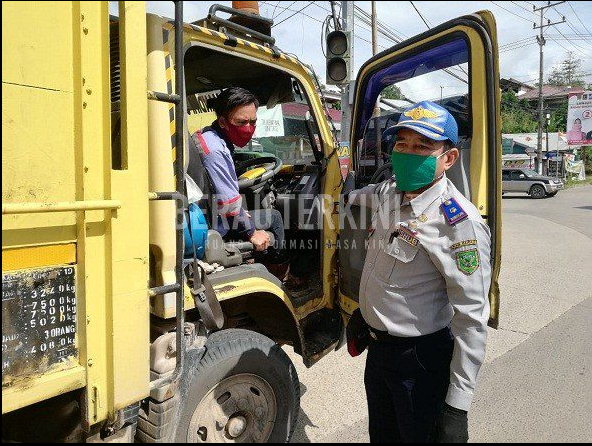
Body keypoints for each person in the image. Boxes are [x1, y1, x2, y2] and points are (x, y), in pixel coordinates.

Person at [349, 101, 492, 443]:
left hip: (420, 363)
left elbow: (472, 317)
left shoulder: (458, 223)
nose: (408, 153)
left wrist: (457, 407)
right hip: (378, 353)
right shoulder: (390, 193)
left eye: (423, 146)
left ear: (449, 158)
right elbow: (364, 195)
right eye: (402, 144)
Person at [194, 87, 288, 276]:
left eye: (253, 122)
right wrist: (252, 233)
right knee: (276, 217)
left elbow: (222, 194)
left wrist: (237, 211)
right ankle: (281, 274)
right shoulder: (216, 151)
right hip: (215, 224)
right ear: (222, 121)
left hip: (211, 213)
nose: (248, 128)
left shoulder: (208, 136)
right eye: (241, 122)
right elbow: (229, 205)